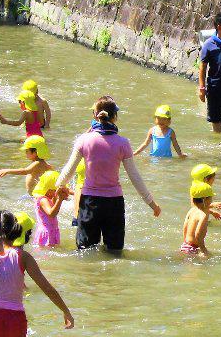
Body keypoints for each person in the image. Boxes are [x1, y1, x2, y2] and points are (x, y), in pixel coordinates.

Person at [56, 97, 161, 254]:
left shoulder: (83, 140)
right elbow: (135, 177)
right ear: (115, 117)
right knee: (115, 252)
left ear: (95, 115)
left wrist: (57, 187)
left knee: (86, 252)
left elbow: (68, 170)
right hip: (114, 205)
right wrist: (152, 204)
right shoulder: (123, 143)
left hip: (89, 203)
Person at [181, 182, 218, 257]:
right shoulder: (203, 215)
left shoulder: (192, 210)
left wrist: (185, 242)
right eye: (211, 197)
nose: (211, 200)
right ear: (205, 199)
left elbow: (185, 227)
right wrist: (203, 250)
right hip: (192, 249)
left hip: (185, 245)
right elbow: (198, 234)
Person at [31, 171, 66, 248]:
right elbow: (51, 214)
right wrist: (59, 199)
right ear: (50, 191)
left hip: (52, 230)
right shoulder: (43, 200)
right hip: (46, 233)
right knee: (46, 255)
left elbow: (54, 208)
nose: (57, 192)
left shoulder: (48, 198)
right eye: (56, 190)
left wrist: (59, 198)